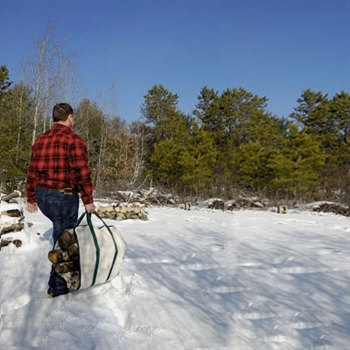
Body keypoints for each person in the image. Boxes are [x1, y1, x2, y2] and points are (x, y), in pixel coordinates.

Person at [25, 103, 95, 298]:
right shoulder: (73, 140)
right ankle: (57, 289)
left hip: (42, 196)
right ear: (69, 117)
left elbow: (32, 172)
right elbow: (82, 173)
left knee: (60, 235)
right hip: (61, 197)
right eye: (73, 118)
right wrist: (88, 199)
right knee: (63, 242)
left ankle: (58, 281)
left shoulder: (40, 140)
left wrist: (31, 198)